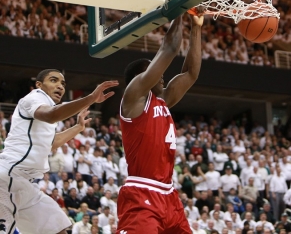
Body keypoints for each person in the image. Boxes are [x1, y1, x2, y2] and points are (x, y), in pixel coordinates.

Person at [0, 69, 118, 234]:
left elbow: (52, 142)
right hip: (8, 178)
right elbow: (51, 115)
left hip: (26, 185)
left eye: (63, 83)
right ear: (39, 85)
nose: (60, 86)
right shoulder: (36, 97)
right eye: (54, 80)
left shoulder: (46, 110)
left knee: (58, 229)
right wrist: (91, 98)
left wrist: (78, 127)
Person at [117, 14, 204, 233]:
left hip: (169, 195)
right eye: (156, 69)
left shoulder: (164, 100)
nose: (162, 74)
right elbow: (170, 48)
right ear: (142, 77)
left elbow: (190, 73)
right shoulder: (134, 97)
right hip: (142, 191)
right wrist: (180, 9)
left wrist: (196, 26)